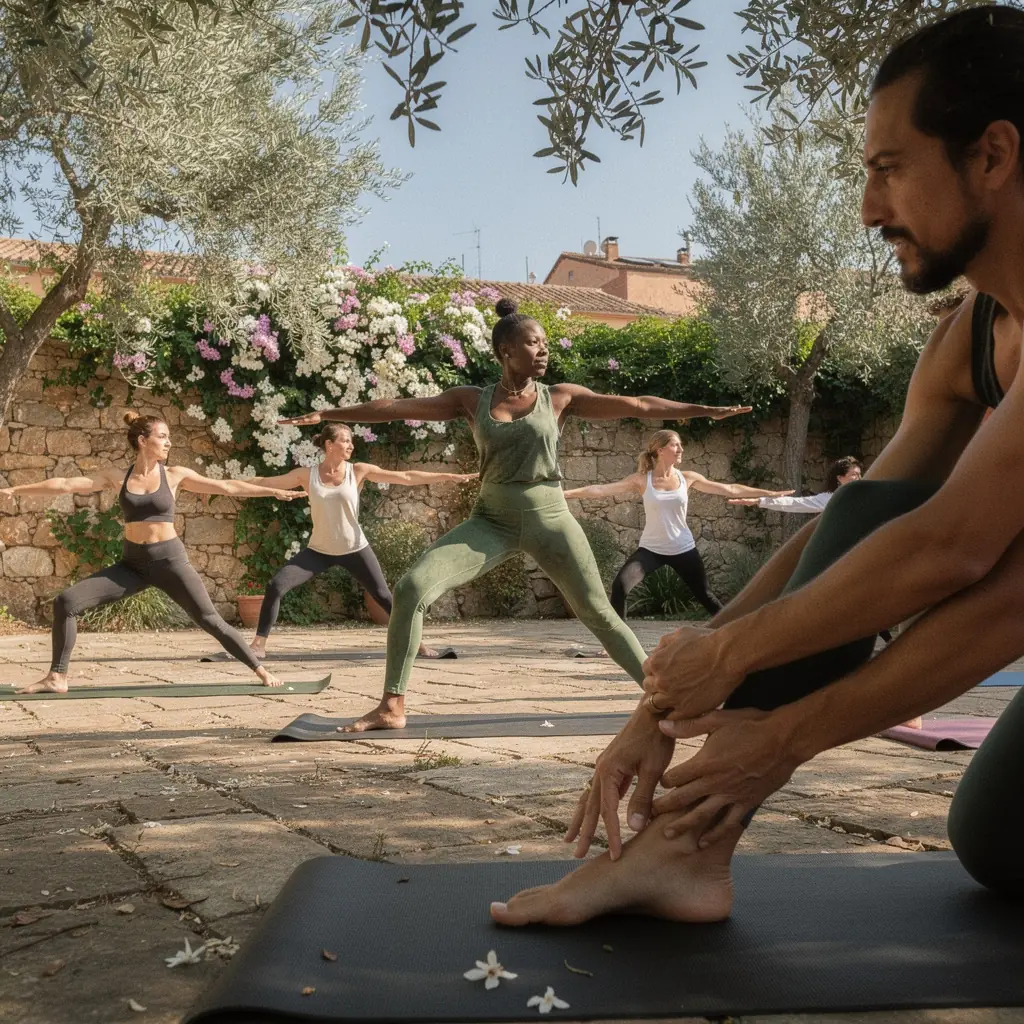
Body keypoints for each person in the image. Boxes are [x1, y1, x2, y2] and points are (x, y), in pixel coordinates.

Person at [490, 5, 1024, 926]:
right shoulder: (966, 343)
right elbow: (860, 523)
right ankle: (686, 857)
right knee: (1000, 838)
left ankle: (682, 851)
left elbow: (963, 558)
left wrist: (772, 726)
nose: (868, 210)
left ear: (991, 155)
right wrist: (664, 704)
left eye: (889, 169)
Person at [279, 297, 752, 732]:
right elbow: (396, 407)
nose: (543, 351)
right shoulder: (472, 399)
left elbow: (640, 405)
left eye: (546, 343)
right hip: (492, 520)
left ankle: (664, 698)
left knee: (600, 614)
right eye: (533, 343)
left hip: (551, 520)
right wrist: (328, 415)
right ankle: (392, 705)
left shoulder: (560, 397)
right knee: (410, 589)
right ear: (506, 350)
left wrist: (705, 411)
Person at [0, 413, 304, 693]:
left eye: (169, 436)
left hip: (170, 562)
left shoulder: (175, 475)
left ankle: (260, 670)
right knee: (66, 602)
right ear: (143, 441)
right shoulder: (118, 477)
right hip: (132, 564)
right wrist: (17, 490)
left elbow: (228, 487)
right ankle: (57, 677)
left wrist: (273, 490)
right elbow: (66, 484)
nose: (169, 442)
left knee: (210, 619)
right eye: (162, 436)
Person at [244, 422, 477, 660]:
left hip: (355, 549)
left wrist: (448, 476)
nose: (351, 445)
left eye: (351, 441)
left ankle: (419, 646)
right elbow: (266, 483)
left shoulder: (358, 471)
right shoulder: (307, 475)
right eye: (345, 440)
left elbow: (405, 476)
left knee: (385, 598)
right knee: (275, 586)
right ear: (329, 444)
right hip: (319, 551)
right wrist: (226, 485)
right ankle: (258, 645)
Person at [565, 429, 792, 619]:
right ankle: (618, 642)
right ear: (660, 450)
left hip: (683, 549)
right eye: (676, 445)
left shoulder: (688, 477)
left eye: (680, 445)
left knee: (706, 596)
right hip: (651, 550)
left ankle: (735, 632)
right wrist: (565, 494)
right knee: (620, 586)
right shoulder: (642, 480)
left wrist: (769, 493)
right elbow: (600, 490)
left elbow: (729, 489)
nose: (681, 449)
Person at [728, 456, 862, 515]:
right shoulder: (830, 499)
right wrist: (760, 501)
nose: (858, 478)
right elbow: (794, 503)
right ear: (840, 478)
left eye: (859, 474)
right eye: (853, 474)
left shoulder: (865, 494)